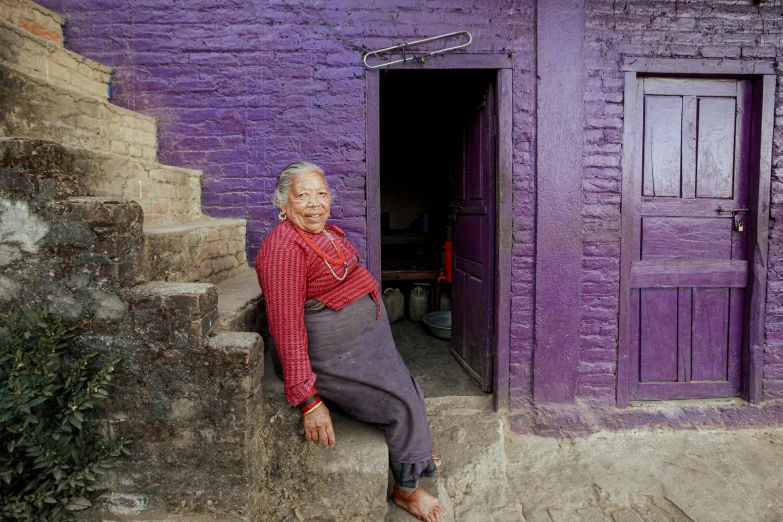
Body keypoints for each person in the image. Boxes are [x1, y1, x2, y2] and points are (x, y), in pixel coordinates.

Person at [255, 161, 446, 522]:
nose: (315, 203)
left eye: (322, 193)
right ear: (283, 204)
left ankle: (414, 453)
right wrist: (308, 400)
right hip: (329, 356)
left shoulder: (321, 233)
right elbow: (286, 326)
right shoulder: (283, 249)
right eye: (303, 195)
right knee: (402, 402)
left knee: (410, 388)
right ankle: (407, 491)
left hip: (360, 347)